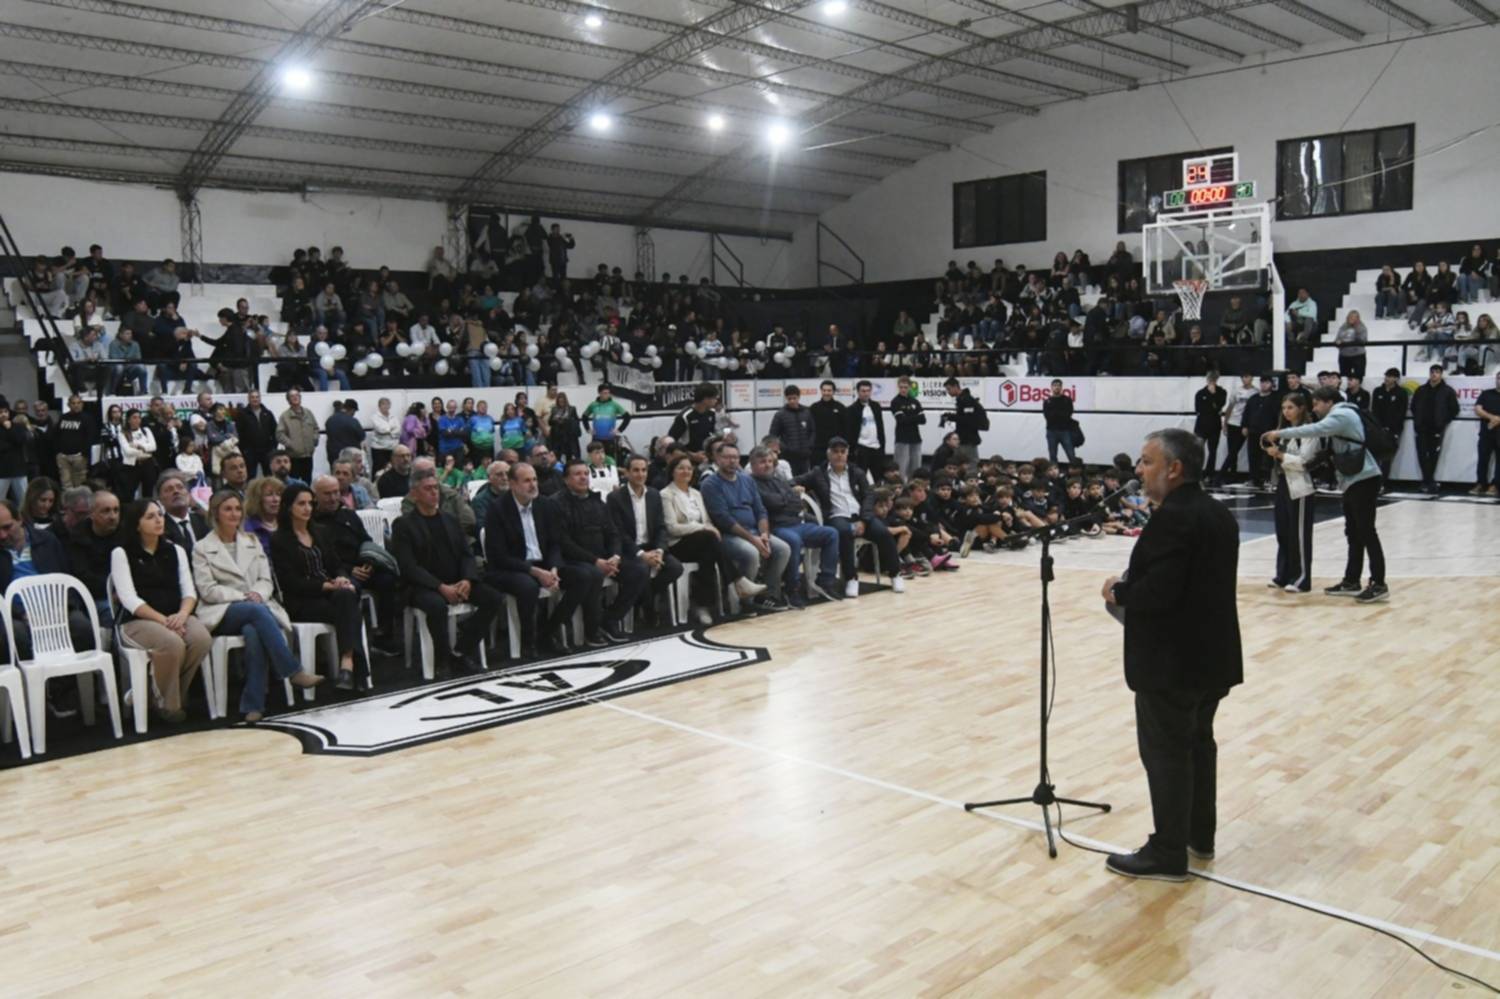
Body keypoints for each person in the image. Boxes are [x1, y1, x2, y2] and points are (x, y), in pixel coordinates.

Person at [1100, 428, 1242, 881]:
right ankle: (1199, 836)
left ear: (1174, 468)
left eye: (1147, 461)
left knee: (1166, 754)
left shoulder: (1173, 519)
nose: (1140, 470)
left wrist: (1118, 591)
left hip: (1172, 663)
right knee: (1198, 745)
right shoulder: (1218, 513)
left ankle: (1167, 852)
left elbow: (1159, 593)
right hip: (1210, 657)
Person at [193, 491, 322, 721]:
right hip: (221, 610)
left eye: (237, 508)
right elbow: (207, 590)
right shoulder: (201, 547)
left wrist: (258, 594)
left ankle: (253, 705)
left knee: (253, 630)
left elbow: (266, 580)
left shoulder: (252, 542)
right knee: (256, 611)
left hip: (256, 606)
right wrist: (242, 596)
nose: (234, 513)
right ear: (215, 513)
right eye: (227, 509)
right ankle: (292, 670)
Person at [1265, 387, 1388, 603]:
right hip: (1352, 479)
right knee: (1353, 532)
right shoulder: (1343, 414)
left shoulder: (1341, 415)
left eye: (1317, 404)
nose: (1314, 408)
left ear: (1329, 402)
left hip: (1364, 478)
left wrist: (1279, 434)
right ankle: (1351, 580)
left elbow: (1313, 430)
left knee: (1367, 532)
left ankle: (1378, 583)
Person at [110, 498, 212, 724]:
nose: (158, 520)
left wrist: (182, 615)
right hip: (136, 621)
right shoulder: (121, 553)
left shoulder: (175, 550)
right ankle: (169, 705)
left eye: (160, 515)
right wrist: (164, 621)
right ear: (137, 524)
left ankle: (156, 695)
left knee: (201, 639)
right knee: (171, 643)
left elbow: (189, 592)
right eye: (150, 516)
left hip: (176, 615)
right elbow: (129, 599)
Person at [390, 468, 502, 673]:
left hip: (456, 580)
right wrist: (440, 587)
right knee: (436, 605)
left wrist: (467, 579)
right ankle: (442, 659)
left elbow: (466, 554)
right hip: (422, 585)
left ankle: (461, 651)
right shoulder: (403, 525)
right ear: (414, 494)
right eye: (428, 489)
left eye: (436, 488)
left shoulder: (450, 519)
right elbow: (409, 567)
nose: (434, 493)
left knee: (493, 598)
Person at [270, 483, 367, 689]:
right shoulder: (279, 540)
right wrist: (327, 586)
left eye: (310, 503)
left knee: (346, 596)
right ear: (289, 507)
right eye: (301, 504)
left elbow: (336, 565)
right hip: (303, 600)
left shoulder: (320, 532)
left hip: (332, 595)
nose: (307, 508)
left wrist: (341, 578)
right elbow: (290, 582)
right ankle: (353, 668)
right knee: (349, 606)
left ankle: (347, 664)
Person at [659, 454, 761, 624]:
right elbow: (672, 528)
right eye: (681, 468)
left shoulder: (696, 494)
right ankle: (738, 581)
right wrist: (702, 528)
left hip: (702, 543)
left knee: (708, 553)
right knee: (709, 539)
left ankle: (702, 607)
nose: (686, 471)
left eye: (689, 468)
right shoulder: (666, 494)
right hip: (678, 544)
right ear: (672, 472)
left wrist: (706, 527)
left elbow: (706, 520)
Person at [553, 459, 648, 642]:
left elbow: (613, 533)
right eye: (577, 474)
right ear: (566, 479)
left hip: (604, 558)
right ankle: (591, 629)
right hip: (575, 560)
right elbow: (564, 542)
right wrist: (595, 561)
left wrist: (615, 556)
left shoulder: (597, 501)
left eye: (586, 473)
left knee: (639, 570)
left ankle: (610, 619)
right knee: (593, 574)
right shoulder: (557, 503)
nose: (583, 478)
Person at [796, 438, 902, 596]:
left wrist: (864, 520)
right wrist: (796, 487)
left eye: (842, 452)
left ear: (847, 454)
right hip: (837, 516)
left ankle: (895, 574)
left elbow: (869, 496)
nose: (839, 455)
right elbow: (792, 481)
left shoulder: (857, 472)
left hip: (861, 515)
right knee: (845, 532)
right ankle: (851, 577)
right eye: (835, 452)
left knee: (883, 532)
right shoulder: (818, 473)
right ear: (828, 454)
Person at [700, 442, 791, 613]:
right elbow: (724, 520)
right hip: (728, 536)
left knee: (783, 549)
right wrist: (754, 540)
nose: (732, 461)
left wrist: (764, 535)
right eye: (727, 457)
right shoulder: (710, 484)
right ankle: (746, 601)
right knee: (750, 552)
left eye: (735, 457)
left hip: (756, 532)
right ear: (717, 459)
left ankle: (767, 595)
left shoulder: (747, 480)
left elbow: (760, 510)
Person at [748, 446, 839, 606]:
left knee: (831, 533)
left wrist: (784, 500)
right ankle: (792, 589)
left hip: (796, 523)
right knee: (794, 540)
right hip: (776, 527)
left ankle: (825, 581)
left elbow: (797, 503)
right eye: (762, 462)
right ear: (753, 465)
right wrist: (787, 498)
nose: (768, 465)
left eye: (770, 461)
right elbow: (770, 502)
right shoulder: (751, 483)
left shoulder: (778, 480)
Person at [605, 455, 683, 626]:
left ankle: (642, 599)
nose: (640, 474)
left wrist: (660, 551)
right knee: (641, 569)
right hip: (628, 549)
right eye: (635, 470)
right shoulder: (615, 498)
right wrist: (641, 554)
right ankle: (612, 618)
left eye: (643, 470)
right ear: (626, 473)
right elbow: (619, 533)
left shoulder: (654, 494)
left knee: (675, 568)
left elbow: (661, 527)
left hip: (651, 547)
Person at [1263, 394, 1319, 593]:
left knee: (1299, 534)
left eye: (1290, 407)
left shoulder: (1310, 432)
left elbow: (1304, 461)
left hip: (1301, 486)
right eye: (1284, 407)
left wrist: (1279, 454)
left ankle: (1302, 578)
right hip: (1283, 482)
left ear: (1301, 408)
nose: (1286, 411)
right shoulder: (1283, 432)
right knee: (1283, 531)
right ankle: (1283, 574)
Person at [1410, 365, 1459, 493]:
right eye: (1432, 372)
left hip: (1436, 428)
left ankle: (1428, 481)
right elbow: (1414, 406)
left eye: (1437, 372)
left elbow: (1454, 409)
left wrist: (1442, 422)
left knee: (1433, 455)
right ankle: (1427, 481)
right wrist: (1418, 420)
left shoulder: (1447, 391)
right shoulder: (1421, 390)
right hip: (1421, 428)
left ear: (1441, 374)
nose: (1434, 374)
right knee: (1422, 455)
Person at [1370, 368, 1409, 484]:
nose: (1387, 378)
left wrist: (1392, 428)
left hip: (1393, 430)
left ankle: (1383, 482)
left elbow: (1401, 413)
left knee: (1386, 457)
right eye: (1386, 376)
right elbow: (1374, 410)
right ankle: (1373, 481)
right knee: (1375, 455)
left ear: (1396, 379)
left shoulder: (1401, 392)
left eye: (1390, 376)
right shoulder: (1378, 391)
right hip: (1378, 429)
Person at [940, 377, 988, 468]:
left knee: (971, 464)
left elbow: (967, 419)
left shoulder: (967, 400)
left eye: (949, 389)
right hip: (963, 437)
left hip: (968, 438)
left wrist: (951, 417)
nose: (948, 392)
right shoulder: (962, 399)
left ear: (956, 386)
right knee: (958, 464)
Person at [768, 385, 816, 476]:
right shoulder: (780, 415)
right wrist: (785, 448)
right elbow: (773, 436)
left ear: (799, 397)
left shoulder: (807, 412)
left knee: (805, 480)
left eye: (794, 398)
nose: (792, 401)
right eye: (789, 399)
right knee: (790, 481)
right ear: (786, 398)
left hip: (804, 456)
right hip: (788, 457)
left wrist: (809, 445)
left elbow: (812, 431)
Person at [275, 389, 319, 484]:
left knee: (307, 482)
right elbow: (279, 434)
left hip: (308, 455)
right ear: (288, 400)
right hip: (294, 457)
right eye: (292, 396)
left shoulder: (308, 413)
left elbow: (316, 428)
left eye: (297, 395)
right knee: (293, 483)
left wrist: (315, 439)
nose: (295, 397)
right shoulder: (285, 416)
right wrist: (291, 444)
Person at [155, 471, 207, 552]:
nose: (176, 491)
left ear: (188, 494)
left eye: (180, 487)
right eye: (169, 489)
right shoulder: (160, 527)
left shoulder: (203, 521)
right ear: (160, 500)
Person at [845, 380, 887, 478]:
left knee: (878, 478)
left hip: (876, 447)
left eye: (868, 391)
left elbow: (880, 427)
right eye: (863, 391)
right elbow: (849, 431)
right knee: (859, 478)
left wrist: (882, 446)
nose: (866, 393)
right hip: (861, 448)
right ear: (858, 392)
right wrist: (852, 449)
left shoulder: (876, 406)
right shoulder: (852, 409)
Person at [889, 375, 926, 481]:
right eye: (901, 387)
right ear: (898, 387)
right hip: (902, 438)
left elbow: (923, 420)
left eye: (905, 387)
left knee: (916, 469)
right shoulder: (895, 401)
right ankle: (899, 488)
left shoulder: (915, 401)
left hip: (915, 438)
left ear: (909, 387)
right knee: (901, 468)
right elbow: (901, 420)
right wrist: (915, 417)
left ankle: (914, 488)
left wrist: (908, 417)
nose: (903, 389)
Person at [234, 390, 278, 479]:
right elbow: (238, 432)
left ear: (260, 398)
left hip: (267, 450)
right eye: (252, 397)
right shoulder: (242, 414)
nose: (255, 399)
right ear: (249, 399)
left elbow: (275, 431)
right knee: (250, 476)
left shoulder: (268, 413)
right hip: (249, 451)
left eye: (257, 397)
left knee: (269, 475)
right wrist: (243, 449)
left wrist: (273, 447)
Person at [1193, 373, 1227, 484]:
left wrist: (1212, 395)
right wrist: (1212, 406)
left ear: (1217, 380)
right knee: (1198, 450)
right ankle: (1196, 473)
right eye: (1210, 379)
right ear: (1207, 379)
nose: (1211, 381)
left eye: (1213, 379)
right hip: (1201, 425)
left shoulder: (1222, 392)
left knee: (1213, 451)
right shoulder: (1200, 393)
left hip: (1214, 426)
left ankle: (1209, 474)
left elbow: (1219, 406)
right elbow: (1198, 409)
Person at [1472, 372, 1500, 496]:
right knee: (1483, 459)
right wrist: (1492, 418)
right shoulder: (1486, 393)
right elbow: (1478, 409)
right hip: (1486, 433)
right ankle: (1480, 483)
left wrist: (1498, 420)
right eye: (1499, 378)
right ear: (1496, 379)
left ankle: (1495, 485)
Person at [243, 476, 283, 554]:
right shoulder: (248, 527)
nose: (276, 499)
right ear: (257, 499)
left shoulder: (287, 524)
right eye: (269, 494)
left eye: (279, 494)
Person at [808, 381, 847, 457]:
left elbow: (845, 427)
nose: (826, 393)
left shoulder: (840, 407)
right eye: (824, 390)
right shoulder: (814, 407)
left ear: (833, 392)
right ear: (821, 391)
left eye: (829, 390)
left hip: (836, 447)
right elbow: (810, 428)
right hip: (818, 447)